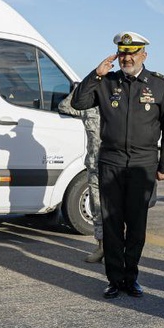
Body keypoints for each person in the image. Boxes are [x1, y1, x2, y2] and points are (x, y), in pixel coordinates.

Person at [72, 31, 164, 299]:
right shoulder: (106, 82)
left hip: (143, 165)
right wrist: (95, 75)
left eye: (132, 53)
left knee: (137, 226)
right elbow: (78, 102)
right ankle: (114, 280)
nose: (126, 58)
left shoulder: (159, 85)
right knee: (111, 224)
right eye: (122, 53)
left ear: (144, 55)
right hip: (112, 162)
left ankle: (131, 277)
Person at [59, 84, 104, 263]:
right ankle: (101, 247)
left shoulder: (119, 108)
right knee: (97, 208)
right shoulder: (89, 109)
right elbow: (64, 106)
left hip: (116, 168)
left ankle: (117, 251)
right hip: (95, 166)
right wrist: (80, 88)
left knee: (117, 211)